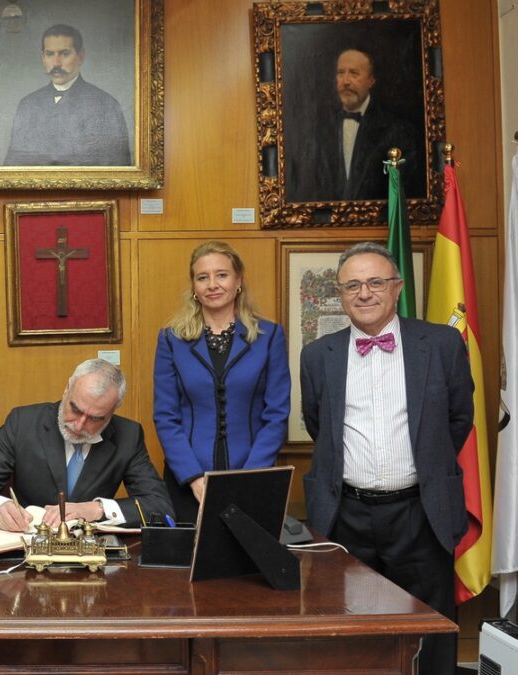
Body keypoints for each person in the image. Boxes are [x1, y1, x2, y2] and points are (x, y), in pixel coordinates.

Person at [300, 241, 473, 675]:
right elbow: (319, 426)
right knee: (350, 636)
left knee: (430, 631)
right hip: (346, 517)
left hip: (422, 512)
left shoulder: (442, 343)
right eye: (352, 285)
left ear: (396, 287)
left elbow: (459, 419)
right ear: (339, 294)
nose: (365, 293)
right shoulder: (318, 356)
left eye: (376, 282)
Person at [152, 241, 291, 522]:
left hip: (253, 475)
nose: (212, 284)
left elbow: (276, 414)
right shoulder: (171, 339)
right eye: (202, 277)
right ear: (194, 286)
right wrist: (192, 477)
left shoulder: (270, 336)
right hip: (188, 481)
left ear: (238, 280)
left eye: (222, 275)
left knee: (247, 562)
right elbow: (166, 416)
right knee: (189, 561)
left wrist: (249, 479)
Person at [0, 358, 172, 531]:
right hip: (29, 548)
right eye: (75, 409)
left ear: (112, 411)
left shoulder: (128, 435)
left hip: (93, 557)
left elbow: (160, 506)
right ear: (67, 389)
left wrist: (97, 509)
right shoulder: (23, 423)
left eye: (96, 418)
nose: (79, 425)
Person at [285, 47, 422, 202]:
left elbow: (404, 193)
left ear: (371, 81)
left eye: (354, 73)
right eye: (341, 73)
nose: (346, 81)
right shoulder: (316, 130)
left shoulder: (399, 130)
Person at [3, 24, 131, 166]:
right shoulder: (27, 105)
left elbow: (118, 171)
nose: (56, 63)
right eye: (50, 54)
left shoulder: (106, 105)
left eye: (64, 53)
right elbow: (13, 166)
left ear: (80, 56)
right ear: (43, 58)